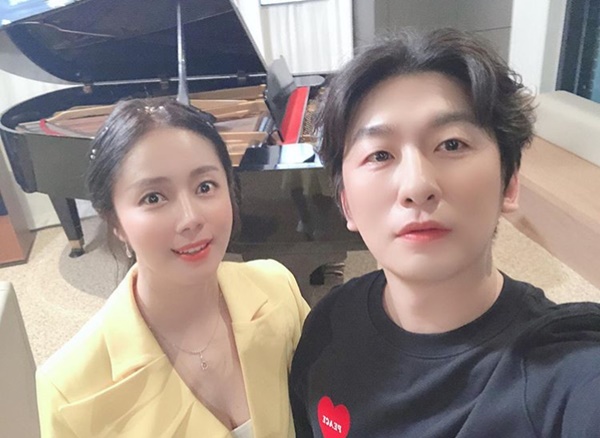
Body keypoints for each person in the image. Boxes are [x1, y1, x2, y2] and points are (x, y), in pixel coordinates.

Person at [289, 28, 600, 437]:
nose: (417, 185)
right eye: (380, 154)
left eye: (451, 145)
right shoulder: (329, 324)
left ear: (509, 183)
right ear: (347, 204)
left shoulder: (567, 368)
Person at [36, 98, 310, 438]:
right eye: (153, 197)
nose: (190, 218)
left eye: (205, 186)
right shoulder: (68, 390)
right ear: (115, 221)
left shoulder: (276, 287)